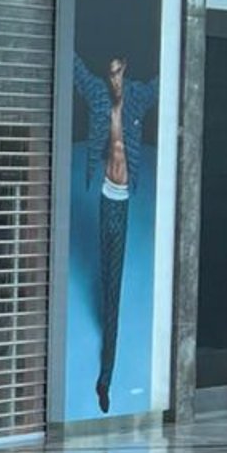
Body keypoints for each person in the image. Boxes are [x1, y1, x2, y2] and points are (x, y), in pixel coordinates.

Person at [72, 50, 157, 416]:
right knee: (104, 278)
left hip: (123, 202)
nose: (114, 78)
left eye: (119, 70)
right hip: (106, 195)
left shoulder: (137, 96)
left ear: (126, 69)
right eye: (110, 73)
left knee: (114, 291)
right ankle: (103, 376)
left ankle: (105, 378)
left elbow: (168, 75)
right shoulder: (98, 96)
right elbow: (75, 68)